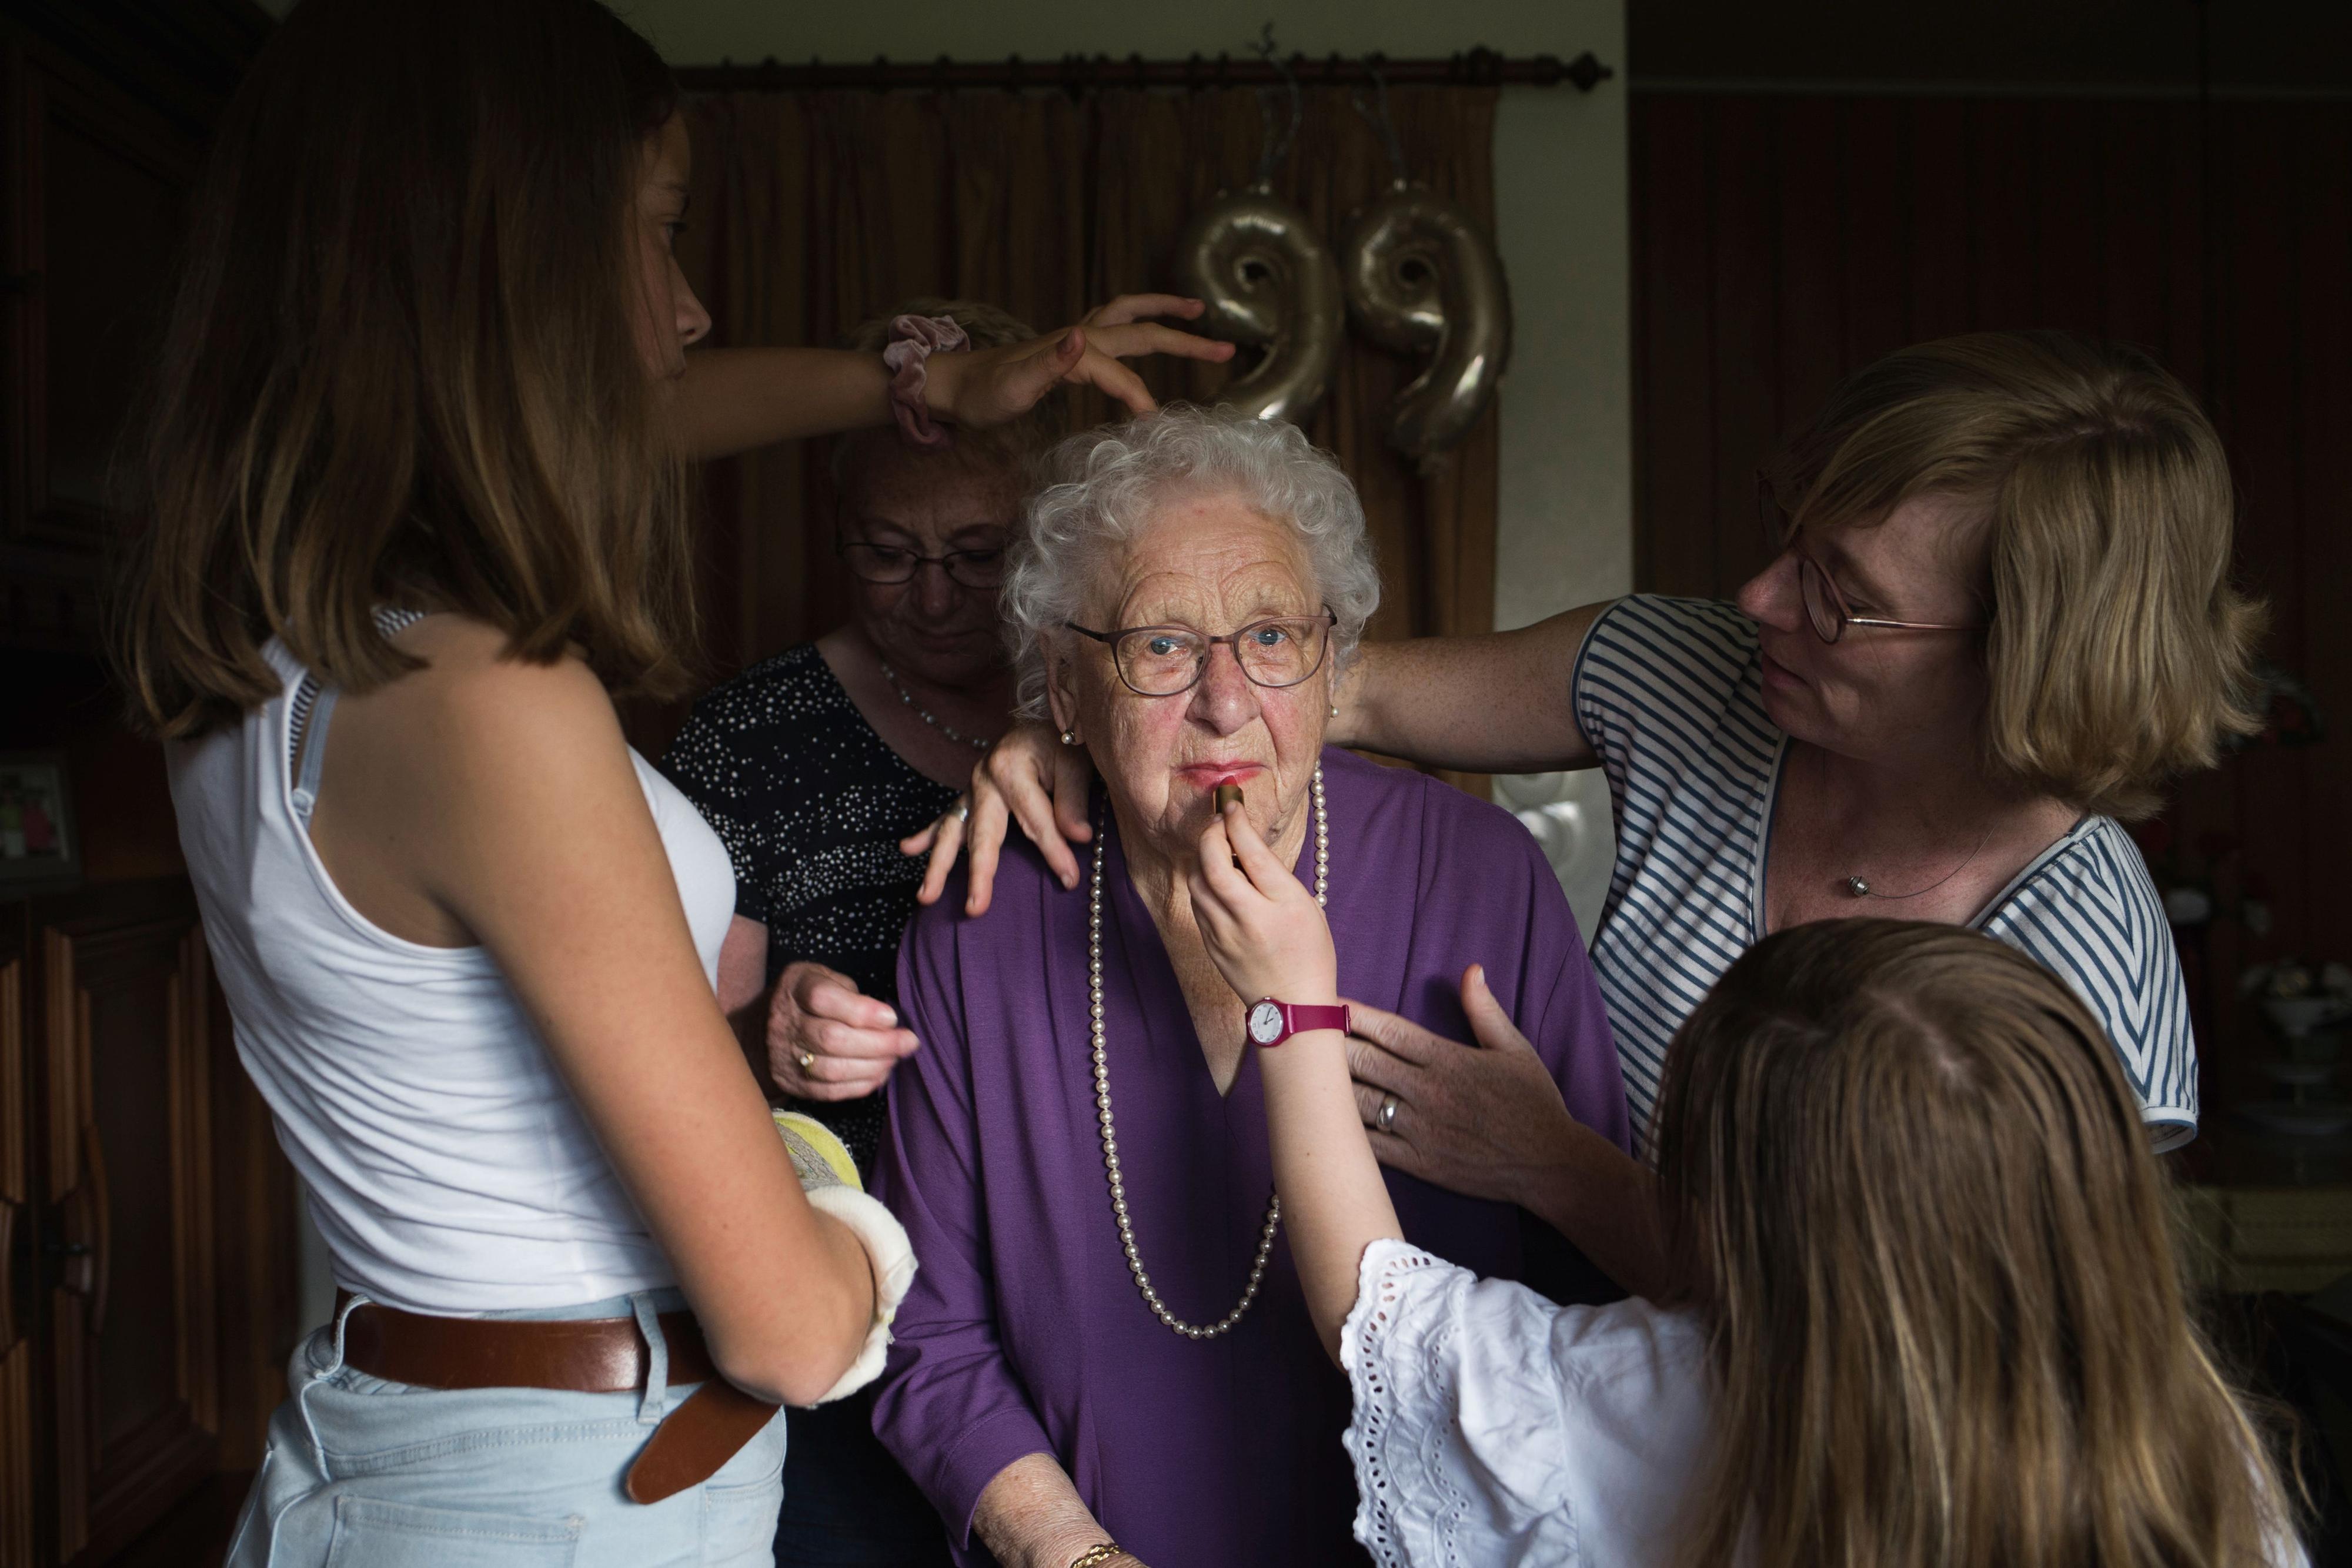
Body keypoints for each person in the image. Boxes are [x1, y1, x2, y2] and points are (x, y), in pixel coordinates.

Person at [113, 2, 1225, 1562]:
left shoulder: (263, 639)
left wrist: (917, 390)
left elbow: (600, 413)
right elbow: (786, 1326)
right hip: (576, 1493)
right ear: (516, 278)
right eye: (657, 234)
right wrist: (849, 1202)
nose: (694, 310)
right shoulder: (490, 696)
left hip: (392, 1444)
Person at [919, 332, 2259, 1298]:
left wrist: (1560, 1170)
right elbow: (1300, 683)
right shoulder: (1692, 673)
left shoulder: (2083, 956)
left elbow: (1947, 1353)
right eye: (1789, 539)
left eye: (1839, 595)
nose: (1758, 597)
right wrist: (1080, 706)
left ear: (2019, 659)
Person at [870, 406, 1629, 1568]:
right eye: (1161, 646)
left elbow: (1607, 1321)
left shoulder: (1476, 875)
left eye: (1269, 636)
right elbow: (932, 1338)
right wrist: (1068, 1552)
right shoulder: (983, 916)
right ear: (1065, 692)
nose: (1225, 700)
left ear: (1329, 659)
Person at [1184, 864, 2303, 1566]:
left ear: (1739, 1227)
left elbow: (1379, 1320)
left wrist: (1291, 1008)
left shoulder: (1686, 1403)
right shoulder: (2202, 1460)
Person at [659, 296, 1063, 1567]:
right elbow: (674, 1044)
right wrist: (770, 1028)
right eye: (889, 554)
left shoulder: (1114, 704)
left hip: (1071, 1270)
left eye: (981, 554)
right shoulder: (744, 735)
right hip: (846, 1288)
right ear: (836, 539)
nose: (935, 597)